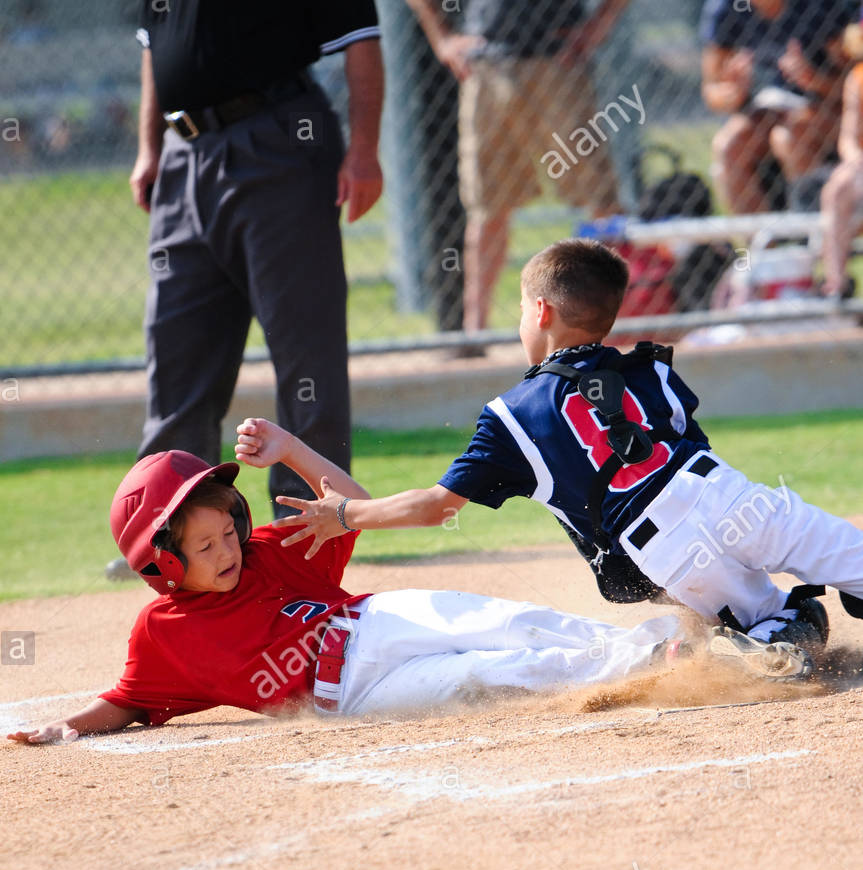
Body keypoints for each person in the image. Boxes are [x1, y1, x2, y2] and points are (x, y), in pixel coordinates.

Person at [237, 237, 863, 681]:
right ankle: (792, 614)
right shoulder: (649, 367)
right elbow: (685, 444)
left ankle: (766, 642)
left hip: (666, 549)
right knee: (847, 561)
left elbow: (434, 507)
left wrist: (346, 514)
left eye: (519, 308)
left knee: (776, 630)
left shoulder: (511, 414)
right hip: (729, 496)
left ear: (540, 312)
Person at [7, 448, 684, 745]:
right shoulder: (163, 634)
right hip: (348, 699)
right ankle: (647, 670)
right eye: (205, 547)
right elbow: (126, 699)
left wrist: (289, 449)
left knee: (500, 622)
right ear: (161, 566)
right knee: (491, 673)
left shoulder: (270, 553)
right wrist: (69, 726)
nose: (227, 551)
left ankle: (665, 646)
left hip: (370, 625)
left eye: (227, 532)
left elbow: (356, 506)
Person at [129, 1, 383, 518]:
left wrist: (365, 151)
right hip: (183, 151)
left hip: (277, 139)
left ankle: (308, 524)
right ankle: (174, 527)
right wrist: (149, 148)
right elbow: (154, 48)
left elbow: (362, 37)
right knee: (176, 349)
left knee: (305, 348)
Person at [404, 0, 629, 335]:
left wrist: (599, 24)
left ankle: (619, 320)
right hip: (488, 65)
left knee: (598, 197)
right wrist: (442, 38)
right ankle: (475, 332)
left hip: (558, 60)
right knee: (487, 205)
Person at [700, 0, 854, 214]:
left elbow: (853, 82)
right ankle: (762, 243)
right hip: (768, 106)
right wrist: (733, 92)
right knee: (729, 147)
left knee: (791, 137)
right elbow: (712, 90)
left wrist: (816, 82)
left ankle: (815, 235)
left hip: (827, 105)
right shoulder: (727, 7)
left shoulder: (819, 6)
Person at [820, 15, 863, 296]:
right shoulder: (858, 78)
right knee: (838, 186)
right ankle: (836, 285)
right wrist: (857, 159)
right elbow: (848, 137)